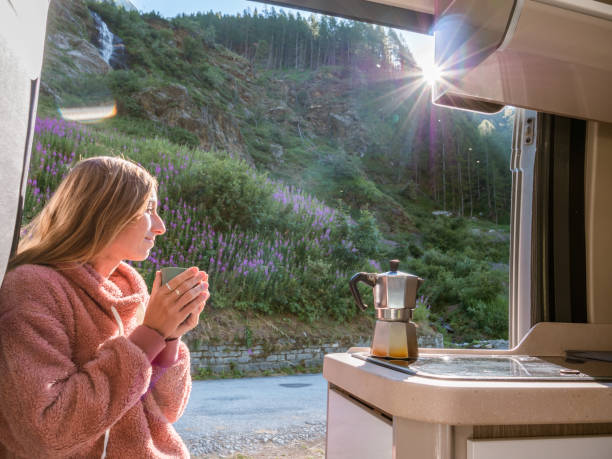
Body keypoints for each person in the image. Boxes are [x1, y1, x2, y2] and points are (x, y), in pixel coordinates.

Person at [0, 156, 209, 458]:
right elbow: (49, 429)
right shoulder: (32, 289)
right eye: (149, 209)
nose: (161, 226)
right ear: (107, 212)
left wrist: (169, 338)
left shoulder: (130, 294)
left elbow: (167, 411)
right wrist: (149, 334)